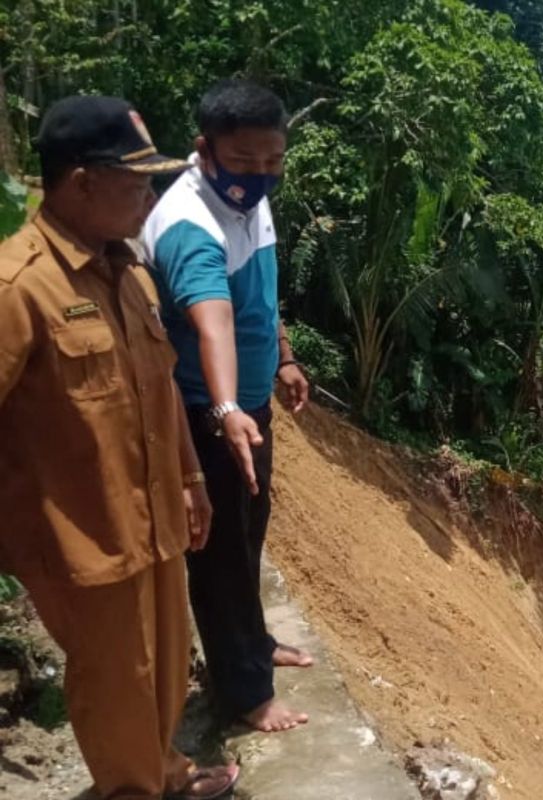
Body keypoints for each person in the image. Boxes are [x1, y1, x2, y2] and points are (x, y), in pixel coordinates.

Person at [0, 96, 240, 799]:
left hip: (154, 517)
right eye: (136, 182)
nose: (150, 196)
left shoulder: (129, 271)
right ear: (81, 183)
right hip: (80, 539)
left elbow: (161, 389)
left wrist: (193, 481)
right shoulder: (19, 286)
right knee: (115, 685)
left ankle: (163, 772)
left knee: (163, 668)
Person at [142, 80, 310, 733]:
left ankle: (254, 642)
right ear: (204, 150)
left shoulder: (249, 198)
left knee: (249, 527)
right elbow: (211, 322)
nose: (262, 176)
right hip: (204, 417)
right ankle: (244, 693)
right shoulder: (190, 225)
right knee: (219, 554)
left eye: (274, 162)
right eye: (245, 162)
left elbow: (258, 293)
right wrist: (226, 407)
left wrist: (286, 356)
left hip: (244, 410)